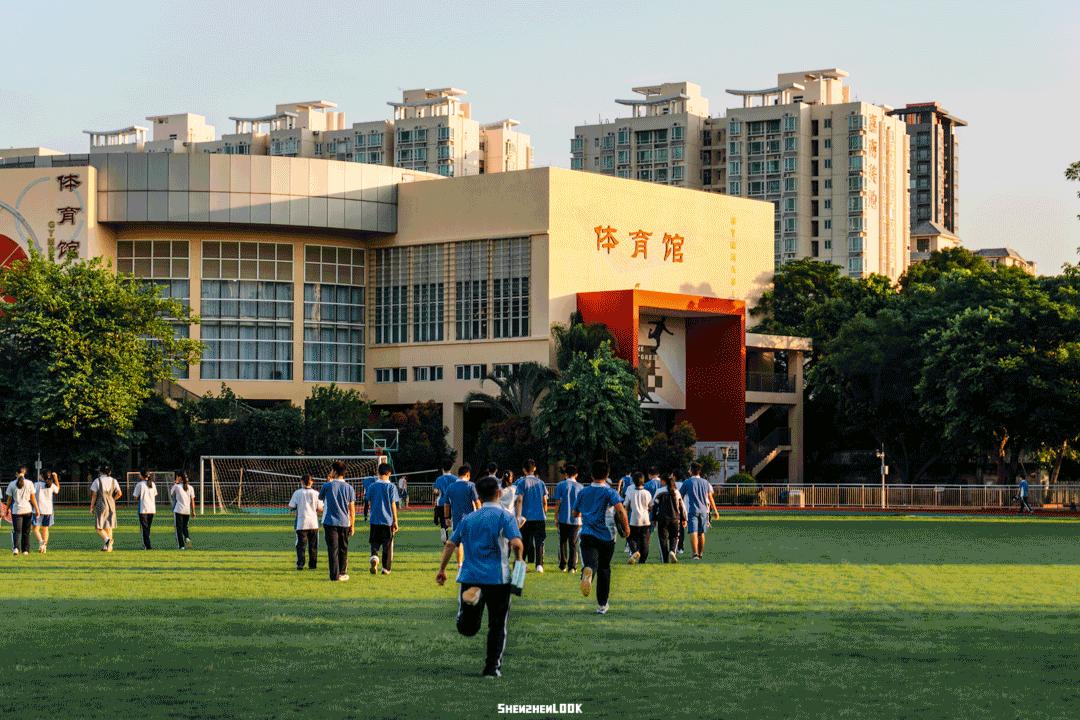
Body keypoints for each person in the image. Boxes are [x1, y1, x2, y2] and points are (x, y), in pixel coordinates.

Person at [435, 474, 524, 678]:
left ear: (480, 495)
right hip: (498, 578)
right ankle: (491, 668)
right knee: (497, 625)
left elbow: (451, 544)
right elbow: (517, 543)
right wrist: (519, 562)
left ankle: (467, 607)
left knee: (468, 628)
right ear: (499, 494)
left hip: (471, 575)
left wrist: (442, 570)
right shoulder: (505, 517)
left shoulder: (469, 518)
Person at [571, 460, 630, 615]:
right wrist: (627, 527)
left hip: (587, 534)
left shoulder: (583, 492)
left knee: (591, 562)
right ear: (607, 474)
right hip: (606, 536)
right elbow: (621, 511)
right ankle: (602, 605)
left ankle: (587, 571)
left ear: (591, 474)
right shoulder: (610, 492)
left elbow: (574, 514)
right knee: (604, 568)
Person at [319, 460, 356, 581]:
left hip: (329, 522)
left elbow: (321, 499)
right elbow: (352, 509)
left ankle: (334, 576)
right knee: (343, 548)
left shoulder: (327, 486)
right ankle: (342, 573)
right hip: (344, 522)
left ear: (334, 471)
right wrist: (353, 524)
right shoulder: (349, 488)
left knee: (332, 549)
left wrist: (328, 481)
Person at [514, 459, 548, 573]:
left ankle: (521, 564)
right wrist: (545, 512)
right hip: (539, 516)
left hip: (525, 517)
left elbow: (519, 499)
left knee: (524, 542)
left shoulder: (521, 482)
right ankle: (539, 565)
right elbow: (544, 501)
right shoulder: (541, 483)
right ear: (534, 468)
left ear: (524, 470)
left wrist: (518, 516)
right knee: (539, 541)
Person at [681, 462, 720, 560]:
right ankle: (700, 553)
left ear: (691, 470)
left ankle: (695, 554)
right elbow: (710, 497)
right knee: (701, 533)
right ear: (699, 471)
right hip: (704, 511)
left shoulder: (687, 482)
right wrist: (715, 511)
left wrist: (680, 511)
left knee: (693, 532)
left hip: (692, 510)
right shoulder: (705, 482)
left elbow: (680, 496)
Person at [366, 463, 400, 575]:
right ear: (389, 473)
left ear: (378, 472)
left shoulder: (372, 486)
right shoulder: (391, 487)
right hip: (387, 521)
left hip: (375, 519)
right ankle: (386, 568)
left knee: (374, 542)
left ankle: (374, 558)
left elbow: (369, 500)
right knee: (387, 545)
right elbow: (393, 504)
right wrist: (395, 521)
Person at [445, 465, 481, 568]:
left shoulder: (450, 487)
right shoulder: (470, 485)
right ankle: (471, 562)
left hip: (456, 519)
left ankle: (460, 564)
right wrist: (480, 514)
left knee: (458, 542)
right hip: (470, 518)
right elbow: (477, 502)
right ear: (468, 474)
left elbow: (446, 504)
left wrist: (446, 518)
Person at [288, 474, 323, 570]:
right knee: (313, 546)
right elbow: (320, 508)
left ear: (301, 481)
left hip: (301, 523)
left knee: (301, 546)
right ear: (312, 482)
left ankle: (300, 564)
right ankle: (312, 565)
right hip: (313, 523)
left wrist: (298, 507)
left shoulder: (297, 493)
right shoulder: (316, 493)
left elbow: (291, 506)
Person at [552, 464, 583, 573]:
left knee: (563, 542)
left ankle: (563, 565)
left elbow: (557, 503)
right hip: (576, 519)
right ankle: (572, 567)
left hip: (563, 518)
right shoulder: (580, 487)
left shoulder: (560, 485)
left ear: (565, 474)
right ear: (576, 474)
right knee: (573, 543)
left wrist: (556, 517)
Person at [653, 473, 687, 563]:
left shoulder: (659, 491)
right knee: (674, 537)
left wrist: (653, 518)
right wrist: (684, 519)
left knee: (662, 539)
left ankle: (665, 559)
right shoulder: (676, 491)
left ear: (664, 481)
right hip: (675, 518)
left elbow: (654, 506)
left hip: (662, 519)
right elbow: (681, 507)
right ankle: (672, 551)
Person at [6, 466, 40, 556]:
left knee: (17, 531)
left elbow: (9, 500)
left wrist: (6, 509)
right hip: (27, 510)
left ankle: (16, 549)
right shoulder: (29, 483)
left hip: (16, 511)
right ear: (25, 473)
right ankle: (25, 550)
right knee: (26, 532)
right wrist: (37, 509)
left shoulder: (12, 484)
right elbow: (33, 498)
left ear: (16, 473)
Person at [89, 466, 121, 552]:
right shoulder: (114, 480)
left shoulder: (97, 481)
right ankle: (108, 547)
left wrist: (91, 507)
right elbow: (119, 493)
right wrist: (113, 499)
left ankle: (107, 540)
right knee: (108, 526)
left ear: (101, 472)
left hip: (101, 504)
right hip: (111, 504)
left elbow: (94, 495)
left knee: (98, 526)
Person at [625, 472, 653, 564]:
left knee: (630, 537)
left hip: (634, 520)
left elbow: (626, 506)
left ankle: (634, 551)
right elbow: (651, 506)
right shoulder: (647, 493)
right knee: (645, 541)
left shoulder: (631, 493)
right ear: (643, 481)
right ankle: (642, 560)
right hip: (645, 520)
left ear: (633, 481)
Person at [32, 470, 60, 553]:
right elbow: (57, 490)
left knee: (35, 529)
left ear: (41, 476)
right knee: (45, 529)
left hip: (37, 510)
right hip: (48, 510)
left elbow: (31, 495)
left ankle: (41, 543)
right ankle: (44, 547)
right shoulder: (52, 485)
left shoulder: (36, 485)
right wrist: (56, 478)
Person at [169, 471, 196, 550]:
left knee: (178, 529)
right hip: (187, 511)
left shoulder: (177, 486)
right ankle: (187, 537)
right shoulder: (190, 487)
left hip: (178, 510)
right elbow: (192, 500)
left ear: (180, 477)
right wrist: (193, 511)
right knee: (185, 527)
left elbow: (171, 493)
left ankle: (181, 546)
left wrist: (176, 482)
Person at [432, 460, 457, 544]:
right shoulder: (455, 479)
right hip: (452, 503)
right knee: (453, 520)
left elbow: (435, 491)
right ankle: (454, 537)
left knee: (443, 521)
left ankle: (444, 532)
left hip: (441, 503)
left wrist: (437, 493)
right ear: (451, 468)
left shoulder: (439, 479)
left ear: (442, 468)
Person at [132, 470, 158, 550]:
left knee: (144, 528)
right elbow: (155, 494)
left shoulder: (139, 484)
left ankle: (147, 545)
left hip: (143, 509)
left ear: (142, 476)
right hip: (152, 509)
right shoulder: (152, 484)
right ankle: (147, 544)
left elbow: (135, 497)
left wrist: (140, 497)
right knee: (148, 528)